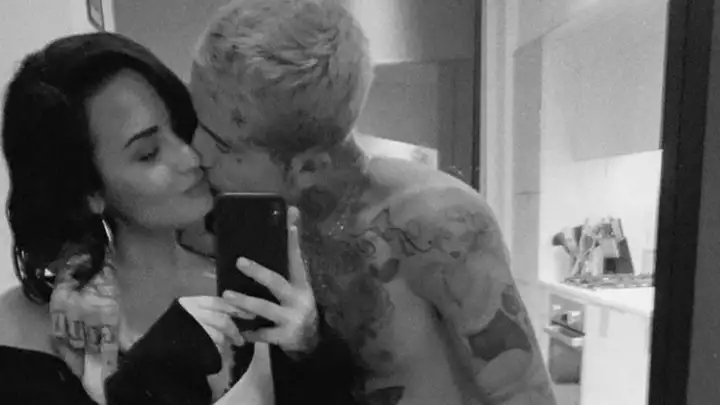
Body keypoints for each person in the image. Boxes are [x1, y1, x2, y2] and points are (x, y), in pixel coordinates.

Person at [183, 0, 559, 404]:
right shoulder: (248, 226)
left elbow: (523, 392)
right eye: (196, 122)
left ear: (308, 167)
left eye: (224, 145)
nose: (195, 151)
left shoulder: (437, 222)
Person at [0, 32, 327, 405]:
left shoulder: (249, 279)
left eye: (182, 127)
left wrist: (310, 347)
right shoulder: (28, 335)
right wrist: (159, 365)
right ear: (89, 192)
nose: (190, 157)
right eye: (149, 153)